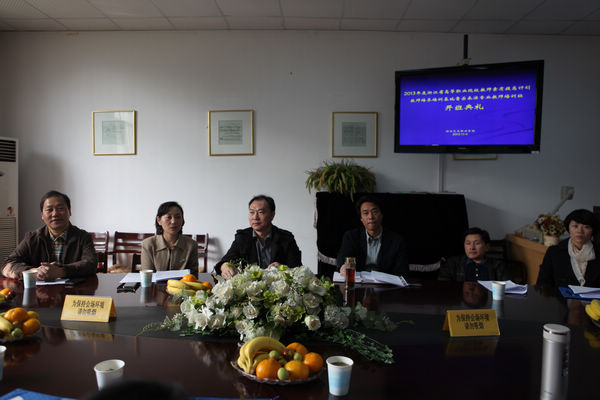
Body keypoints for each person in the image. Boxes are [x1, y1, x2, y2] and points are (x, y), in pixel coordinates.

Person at [1, 190, 97, 280]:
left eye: (60, 208)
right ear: (42, 215)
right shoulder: (32, 238)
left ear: (69, 211)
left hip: (74, 291)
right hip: (39, 291)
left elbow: (91, 264)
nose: (55, 214)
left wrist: (61, 271)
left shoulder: (83, 237)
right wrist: (33, 272)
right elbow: (7, 265)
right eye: (49, 210)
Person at [215, 195, 302, 278]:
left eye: (261, 212)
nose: (255, 217)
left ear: (272, 215)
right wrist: (224, 266)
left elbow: (298, 269)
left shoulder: (286, 238)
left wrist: (283, 268)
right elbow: (227, 259)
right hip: (250, 287)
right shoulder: (243, 237)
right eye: (252, 212)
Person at [337, 195, 409, 277]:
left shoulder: (397, 241)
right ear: (361, 218)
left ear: (381, 215)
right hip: (359, 282)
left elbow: (402, 271)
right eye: (366, 213)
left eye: (374, 212)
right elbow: (343, 257)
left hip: (386, 283)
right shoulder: (351, 237)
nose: (370, 217)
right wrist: (343, 267)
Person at [537, 209, 600, 288]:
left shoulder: (598, 253)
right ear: (568, 228)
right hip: (559, 296)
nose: (580, 231)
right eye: (575, 226)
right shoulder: (554, 252)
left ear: (593, 231)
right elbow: (542, 284)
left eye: (586, 227)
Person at [141, 201, 198, 275]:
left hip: (183, 283)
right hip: (154, 283)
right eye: (168, 217)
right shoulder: (148, 244)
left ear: (182, 220)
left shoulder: (191, 245)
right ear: (159, 220)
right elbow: (147, 275)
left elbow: (193, 275)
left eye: (177, 217)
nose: (173, 221)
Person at [438, 227, 509, 281]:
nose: (472, 247)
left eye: (477, 243)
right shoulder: (452, 263)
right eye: (468, 243)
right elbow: (443, 286)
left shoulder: (498, 265)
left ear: (487, 247)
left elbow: (508, 288)